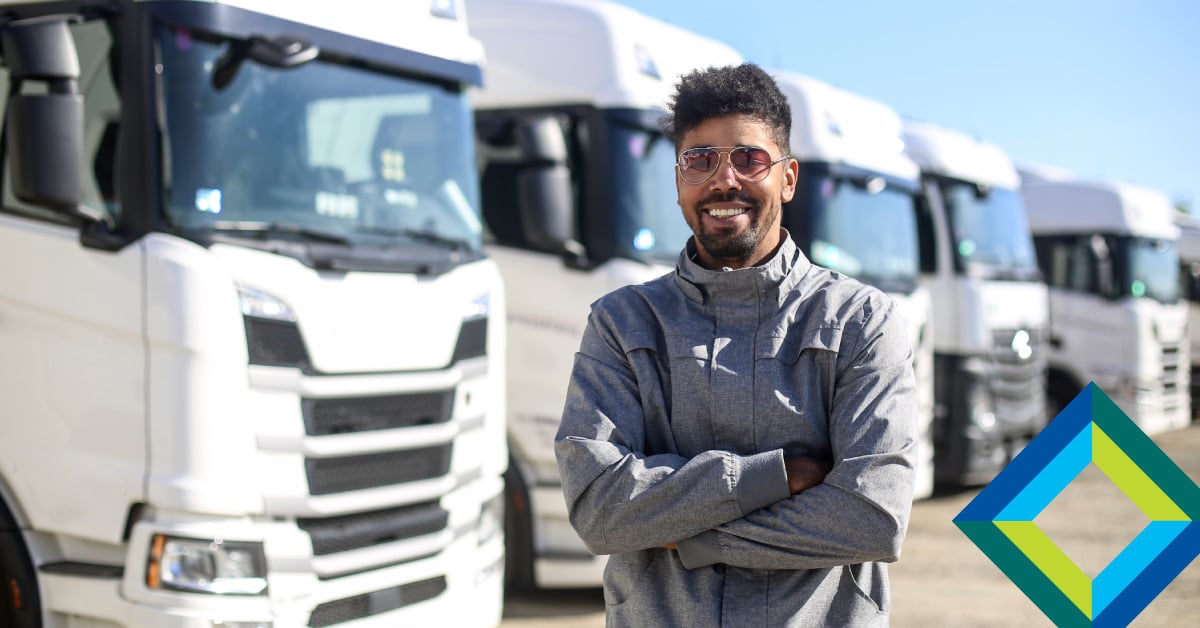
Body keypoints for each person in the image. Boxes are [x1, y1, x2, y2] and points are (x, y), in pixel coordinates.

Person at [554, 63, 918, 627]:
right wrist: (777, 476)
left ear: (788, 177)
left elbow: (872, 515)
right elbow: (599, 511)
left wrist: (689, 536)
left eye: (749, 159)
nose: (724, 181)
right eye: (700, 160)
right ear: (678, 181)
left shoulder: (859, 320)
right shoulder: (622, 324)